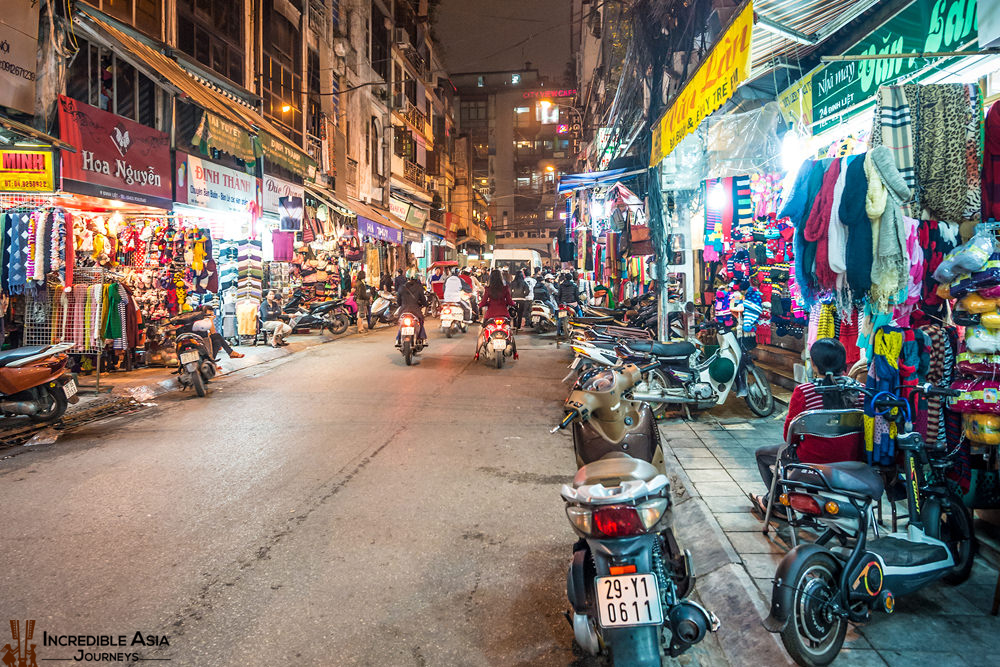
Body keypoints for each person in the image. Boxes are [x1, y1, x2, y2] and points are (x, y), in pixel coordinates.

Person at [749, 338, 863, 519]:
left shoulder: (805, 392)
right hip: (854, 460)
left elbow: (789, 436)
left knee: (762, 454)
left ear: (815, 365)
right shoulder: (862, 391)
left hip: (812, 461)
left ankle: (777, 504)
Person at [479, 268, 517, 358]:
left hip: (490, 315)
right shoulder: (505, 288)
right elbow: (510, 302)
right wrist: (514, 304)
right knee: (509, 332)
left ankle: (477, 353)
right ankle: (515, 353)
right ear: (501, 278)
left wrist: (482, 304)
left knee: (482, 333)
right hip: (504, 314)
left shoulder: (488, 289)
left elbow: (483, 302)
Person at [396, 270, 428, 343]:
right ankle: (422, 337)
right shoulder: (419, 287)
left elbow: (398, 302)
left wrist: (402, 304)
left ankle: (398, 338)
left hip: (403, 311)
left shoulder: (401, 287)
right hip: (415, 311)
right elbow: (423, 300)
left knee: (401, 323)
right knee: (421, 321)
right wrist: (426, 304)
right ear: (417, 278)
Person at [556, 271, 580, 337]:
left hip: (563, 304)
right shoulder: (574, 285)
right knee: (579, 312)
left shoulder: (561, 285)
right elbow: (576, 295)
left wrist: (559, 303)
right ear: (571, 278)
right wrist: (579, 302)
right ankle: (581, 327)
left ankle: (558, 332)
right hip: (573, 303)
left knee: (560, 318)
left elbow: (559, 295)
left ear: (565, 278)